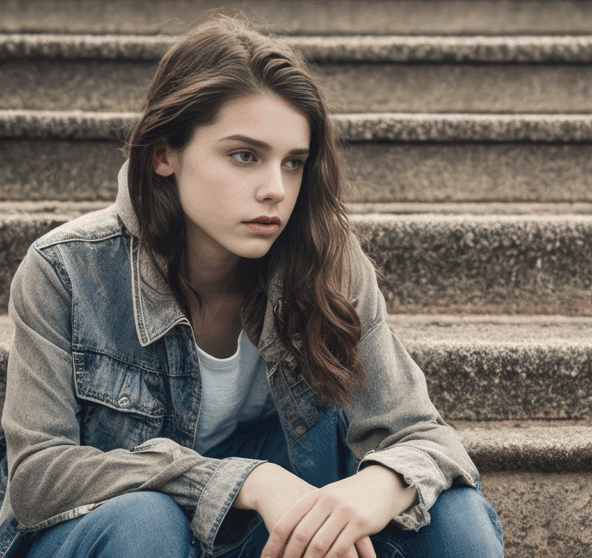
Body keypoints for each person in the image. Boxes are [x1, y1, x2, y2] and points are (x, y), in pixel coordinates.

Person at [0, 18, 504, 558]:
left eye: (293, 163)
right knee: (145, 523)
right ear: (163, 153)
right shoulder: (67, 271)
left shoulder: (326, 261)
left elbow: (424, 437)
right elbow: (38, 476)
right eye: (244, 156)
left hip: (272, 541)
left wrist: (377, 486)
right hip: (124, 538)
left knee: (451, 514)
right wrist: (247, 481)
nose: (275, 190)